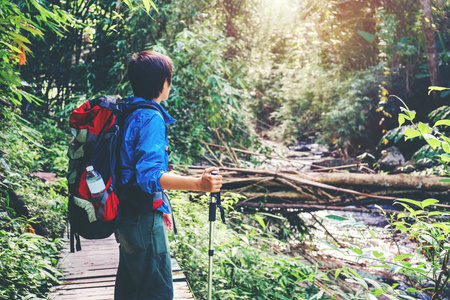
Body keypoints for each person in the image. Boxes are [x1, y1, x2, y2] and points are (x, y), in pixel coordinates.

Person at [114, 50, 223, 300]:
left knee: (130, 289)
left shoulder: (128, 110)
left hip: (126, 215)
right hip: (141, 217)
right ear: (164, 83)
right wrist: (198, 184)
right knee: (156, 292)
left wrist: (162, 206)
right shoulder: (151, 117)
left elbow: (130, 169)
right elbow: (148, 175)